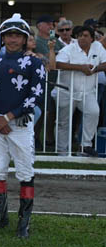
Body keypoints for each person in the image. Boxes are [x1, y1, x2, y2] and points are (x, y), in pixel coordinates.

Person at [0, 15, 44, 237]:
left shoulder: (35, 64)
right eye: (9, 35)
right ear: (3, 38)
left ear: (25, 39)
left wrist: (7, 117)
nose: (13, 39)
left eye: (17, 35)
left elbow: (35, 96)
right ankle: (1, 218)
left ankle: (23, 223)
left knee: (25, 171)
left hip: (20, 124)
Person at [53, 24, 105, 155]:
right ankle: (62, 151)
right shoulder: (69, 48)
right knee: (63, 122)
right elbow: (57, 64)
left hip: (88, 91)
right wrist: (80, 68)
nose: (82, 38)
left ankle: (85, 146)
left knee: (93, 112)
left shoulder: (98, 47)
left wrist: (95, 69)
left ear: (92, 38)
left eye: (85, 36)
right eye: (79, 36)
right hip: (66, 90)